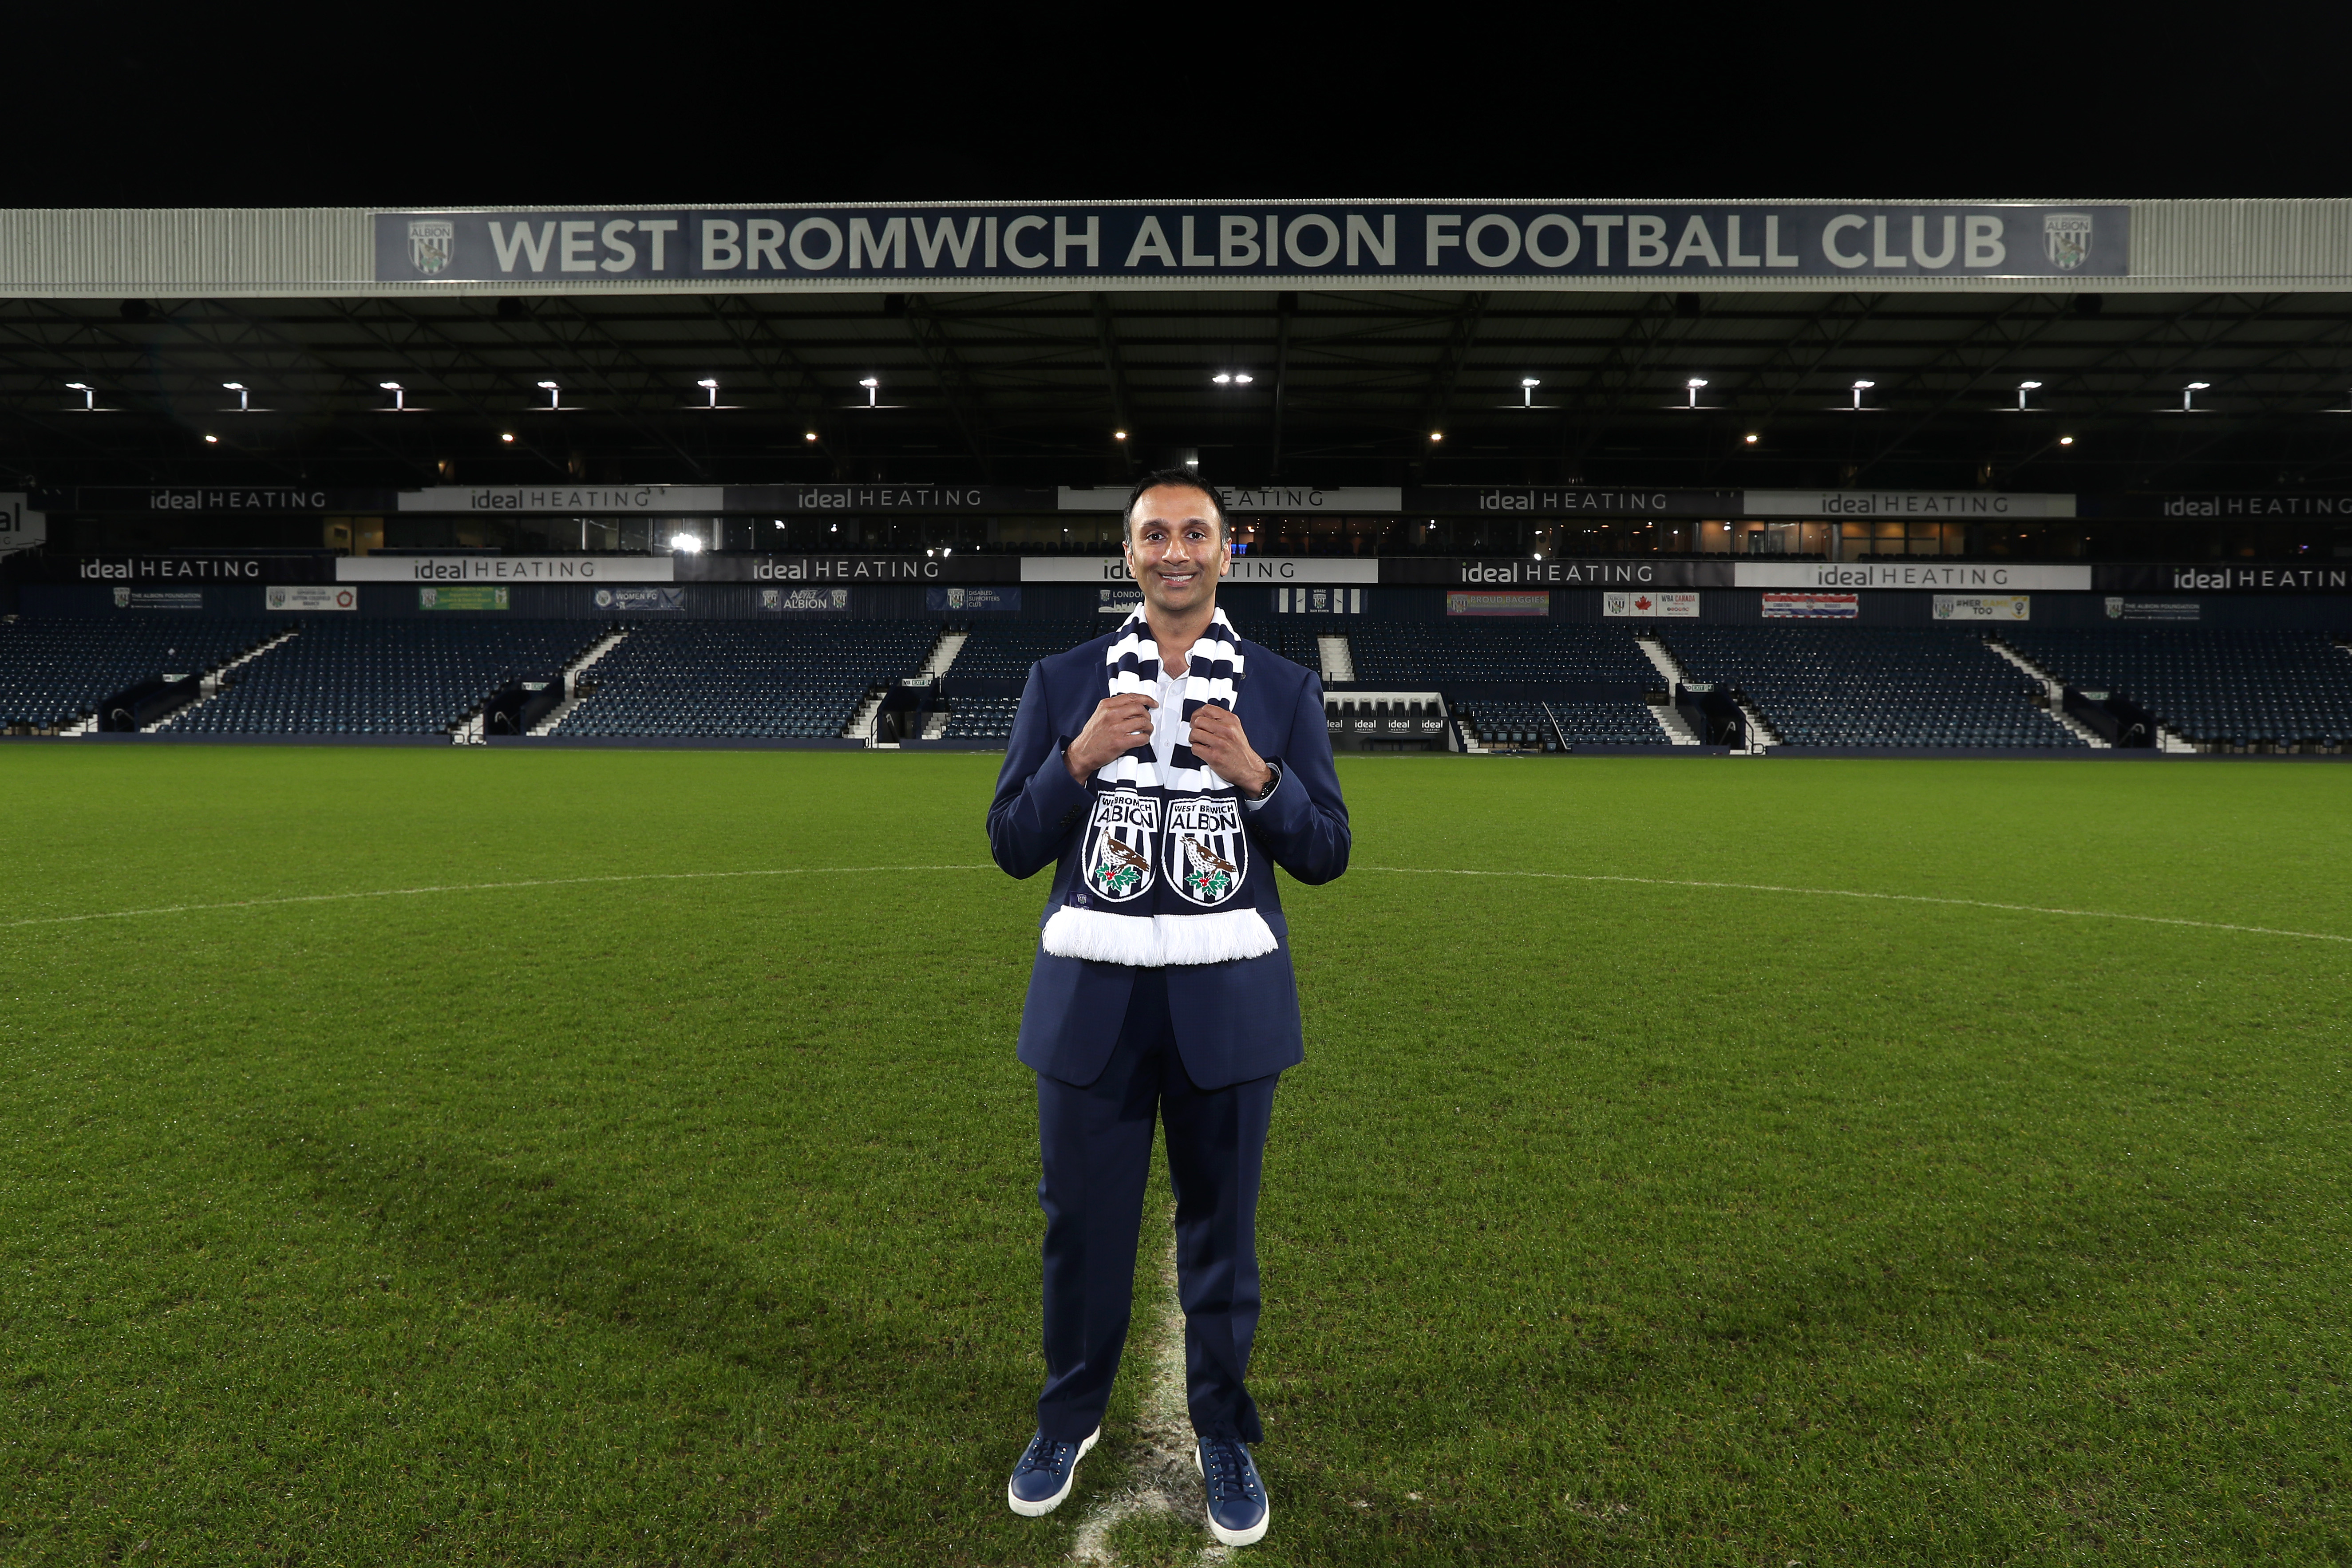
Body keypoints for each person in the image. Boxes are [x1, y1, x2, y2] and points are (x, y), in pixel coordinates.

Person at [985, 469, 1351, 1548]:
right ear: (1130, 554)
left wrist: (1262, 779)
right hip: (1089, 1000)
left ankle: (1224, 1433)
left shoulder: (1280, 689)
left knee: (1222, 1237)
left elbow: (1327, 851)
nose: (1176, 551)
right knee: (1078, 1229)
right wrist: (1076, 759)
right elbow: (1010, 842)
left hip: (1228, 1004)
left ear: (1226, 553)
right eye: (1155, 535)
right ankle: (1069, 1419)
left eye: (1197, 533)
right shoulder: (1062, 679)